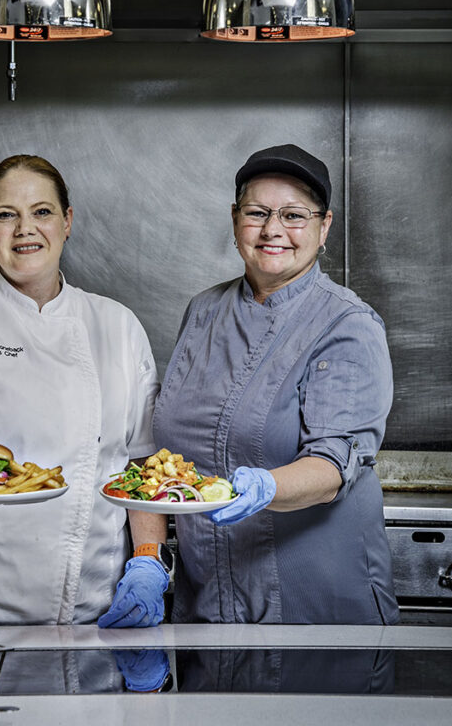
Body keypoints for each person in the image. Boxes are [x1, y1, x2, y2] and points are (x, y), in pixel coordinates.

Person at [0, 154, 169, 626]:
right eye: (6, 215)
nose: (25, 229)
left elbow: (141, 468)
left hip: (93, 603)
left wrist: (147, 561)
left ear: (67, 222)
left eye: (41, 212)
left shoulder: (117, 324)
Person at [152, 144, 399, 625]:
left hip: (315, 607)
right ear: (234, 218)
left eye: (294, 215)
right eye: (257, 212)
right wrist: (147, 560)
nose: (272, 230)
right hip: (206, 604)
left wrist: (265, 486)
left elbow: (334, 462)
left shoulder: (347, 323)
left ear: (324, 227)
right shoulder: (203, 311)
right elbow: (162, 450)